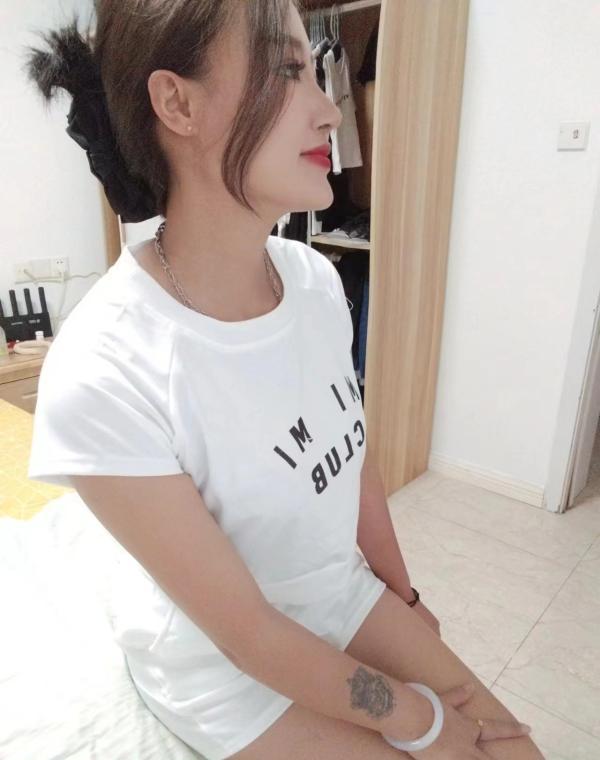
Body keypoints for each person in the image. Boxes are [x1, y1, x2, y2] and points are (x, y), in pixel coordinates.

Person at [23, 2, 545, 758]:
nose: (330, 109)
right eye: (287, 70)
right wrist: (419, 718)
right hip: (226, 670)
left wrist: (403, 598)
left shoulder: (312, 280)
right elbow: (249, 635)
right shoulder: (104, 368)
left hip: (336, 595)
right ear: (178, 103)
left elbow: (351, 457)